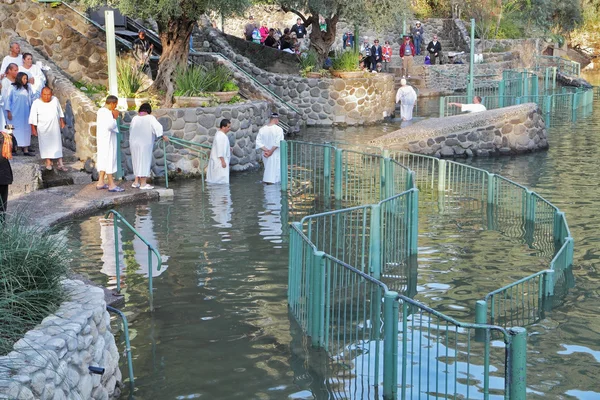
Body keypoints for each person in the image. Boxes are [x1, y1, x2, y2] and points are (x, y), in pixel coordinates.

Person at [129, 103, 168, 190]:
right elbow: (157, 128)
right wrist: (162, 136)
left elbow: (131, 129)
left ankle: (136, 182)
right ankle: (143, 183)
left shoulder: (135, 118)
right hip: (144, 144)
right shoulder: (150, 118)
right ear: (148, 110)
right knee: (144, 161)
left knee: (136, 161)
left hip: (134, 143)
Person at [29, 87, 66, 170]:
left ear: (51, 94)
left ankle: (60, 163)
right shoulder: (36, 103)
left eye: (48, 94)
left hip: (55, 126)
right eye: (44, 95)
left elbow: (59, 111)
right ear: (41, 94)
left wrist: (62, 121)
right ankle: (48, 161)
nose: (46, 96)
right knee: (45, 144)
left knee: (57, 143)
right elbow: (32, 117)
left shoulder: (55, 100)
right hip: (43, 128)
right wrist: (33, 129)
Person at [95, 95, 123, 192]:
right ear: (111, 103)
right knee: (109, 160)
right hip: (108, 141)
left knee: (103, 160)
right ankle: (111, 184)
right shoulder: (106, 113)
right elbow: (110, 126)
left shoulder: (100, 111)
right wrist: (114, 117)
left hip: (102, 139)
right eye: (115, 105)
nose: (115, 107)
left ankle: (101, 182)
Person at [6, 72, 34, 156]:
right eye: (24, 78)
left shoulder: (28, 88)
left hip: (25, 113)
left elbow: (31, 99)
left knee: (26, 130)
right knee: (13, 130)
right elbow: (8, 100)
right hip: (15, 112)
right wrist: (8, 111)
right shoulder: (12, 87)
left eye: (26, 78)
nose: (25, 80)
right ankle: (13, 149)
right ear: (19, 78)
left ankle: (25, 149)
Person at [256, 113, 284, 184]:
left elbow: (258, 142)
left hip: (265, 154)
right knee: (275, 173)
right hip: (275, 154)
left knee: (268, 170)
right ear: (276, 119)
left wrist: (266, 150)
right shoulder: (279, 129)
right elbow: (278, 143)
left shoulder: (262, 129)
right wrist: (271, 152)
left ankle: (267, 184)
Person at [206, 119, 231, 184]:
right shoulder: (221, 136)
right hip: (220, 162)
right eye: (228, 127)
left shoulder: (219, 133)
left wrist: (228, 148)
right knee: (221, 180)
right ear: (223, 127)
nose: (229, 129)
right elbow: (220, 149)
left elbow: (221, 146)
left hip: (219, 160)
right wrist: (223, 161)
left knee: (218, 179)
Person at [0, 124, 14, 223]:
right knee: (2, 205)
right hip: (3, 175)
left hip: (3, 175)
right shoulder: (6, 137)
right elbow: (14, 148)